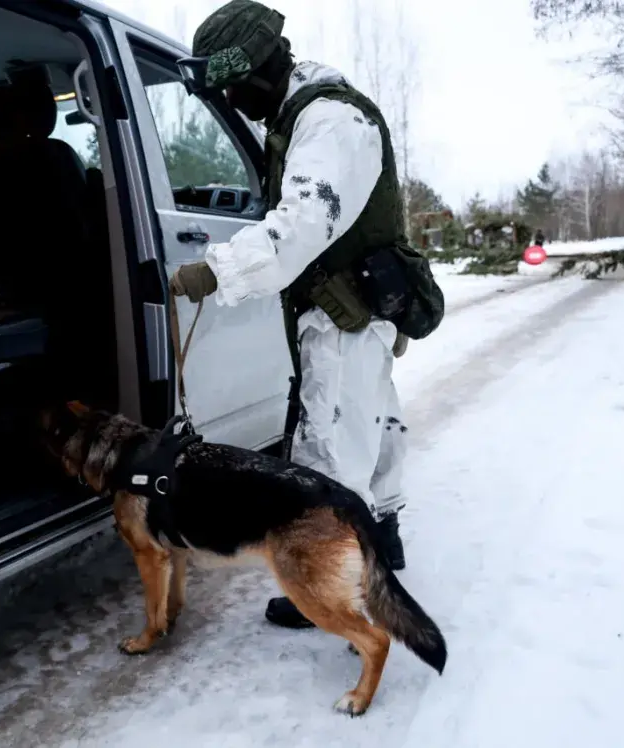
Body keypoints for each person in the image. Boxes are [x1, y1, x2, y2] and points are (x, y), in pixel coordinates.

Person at [168, 0, 443, 629]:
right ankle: (383, 536)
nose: (234, 102)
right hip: (353, 305)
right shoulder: (310, 110)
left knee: (330, 447)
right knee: (371, 423)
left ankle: (344, 594)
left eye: (236, 87)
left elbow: (300, 225)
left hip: (343, 311)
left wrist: (217, 270)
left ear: (262, 69)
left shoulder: (327, 122)